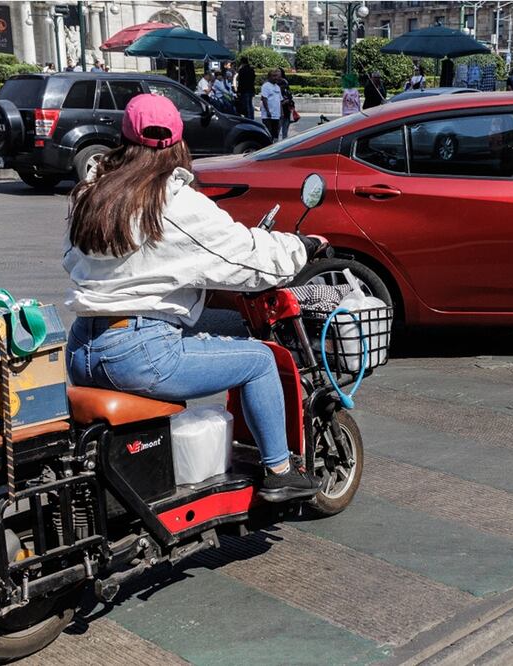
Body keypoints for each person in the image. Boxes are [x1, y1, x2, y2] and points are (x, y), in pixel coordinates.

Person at [64, 93, 329, 502]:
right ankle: (280, 471)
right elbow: (245, 256)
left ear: (125, 138)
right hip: (138, 352)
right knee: (259, 361)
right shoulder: (174, 201)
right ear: (179, 142)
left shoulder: (92, 193)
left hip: (83, 345)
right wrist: (300, 247)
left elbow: (73, 260)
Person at [259, 68, 283, 138]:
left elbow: (280, 100)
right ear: (269, 77)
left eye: (276, 76)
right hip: (268, 116)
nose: (276, 78)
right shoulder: (265, 86)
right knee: (268, 134)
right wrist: (268, 111)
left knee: (275, 134)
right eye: (273, 76)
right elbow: (264, 99)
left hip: (276, 115)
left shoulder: (278, 87)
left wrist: (281, 112)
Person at [277, 67, 294, 140]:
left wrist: (286, 101)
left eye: (278, 72)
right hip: (279, 110)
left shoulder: (284, 82)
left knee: (284, 131)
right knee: (278, 130)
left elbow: (289, 95)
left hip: (285, 109)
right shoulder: (273, 84)